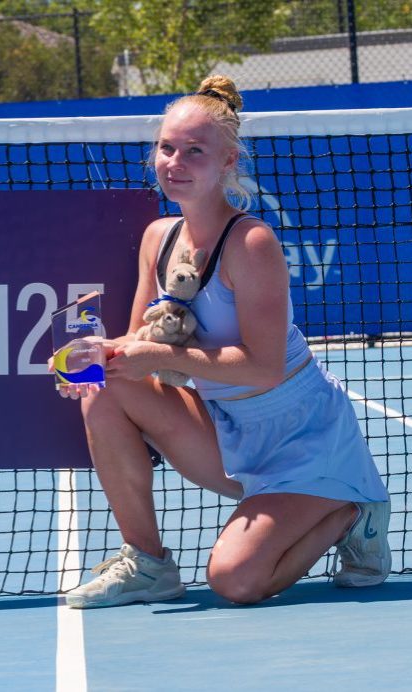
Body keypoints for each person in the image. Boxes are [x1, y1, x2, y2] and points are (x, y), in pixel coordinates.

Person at [62, 76, 391, 609]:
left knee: (236, 582)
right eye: (168, 148)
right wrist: (96, 358)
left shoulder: (253, 243)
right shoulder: (157, 237)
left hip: (301, 443)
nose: (176, 161)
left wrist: (158, 355)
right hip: (227, 430)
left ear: (228, 162)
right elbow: (140, 343)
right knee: (105, 385)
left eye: (195, 151)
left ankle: (350, 512)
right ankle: (148, 564)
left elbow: (264, 370)